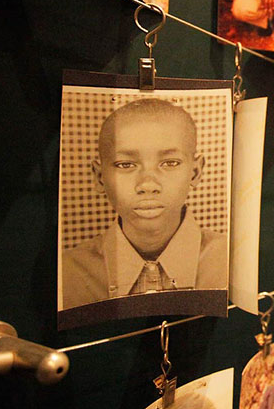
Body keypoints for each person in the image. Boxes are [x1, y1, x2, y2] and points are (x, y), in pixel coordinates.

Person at [62, 98, 227, 310]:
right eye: (126, 164)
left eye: (170, 163)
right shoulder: (69, 271)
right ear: (99, 176)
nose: (148, 185)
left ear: (195, 172)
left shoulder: (228, 258)